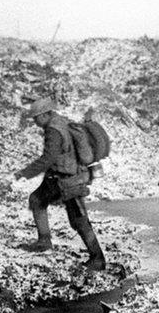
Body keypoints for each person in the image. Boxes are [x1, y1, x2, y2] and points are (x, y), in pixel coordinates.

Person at [14, 98, 106, 270]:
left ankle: (98, 258)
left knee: (79, 220)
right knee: (37, 200)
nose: (35, 122)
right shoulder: (61, 121)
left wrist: (25, 172)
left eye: (36, 118)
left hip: (68, 180)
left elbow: (48, 158)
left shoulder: (53, 130)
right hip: (61, 177)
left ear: (45, 115)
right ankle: (44, 241)